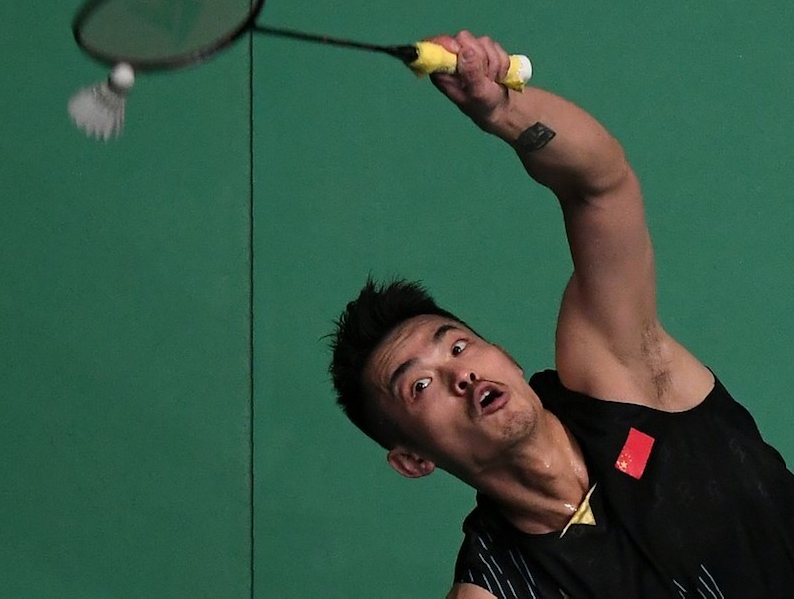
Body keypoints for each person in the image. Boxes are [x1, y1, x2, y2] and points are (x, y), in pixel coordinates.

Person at [329, 31, 794, 598]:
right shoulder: (498, 586)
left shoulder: (624, 378)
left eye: (457, 346)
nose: (462, 375)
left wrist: (503, 109)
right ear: (412, 459)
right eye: (421, 385)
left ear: (507, 357)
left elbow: (601, 188)